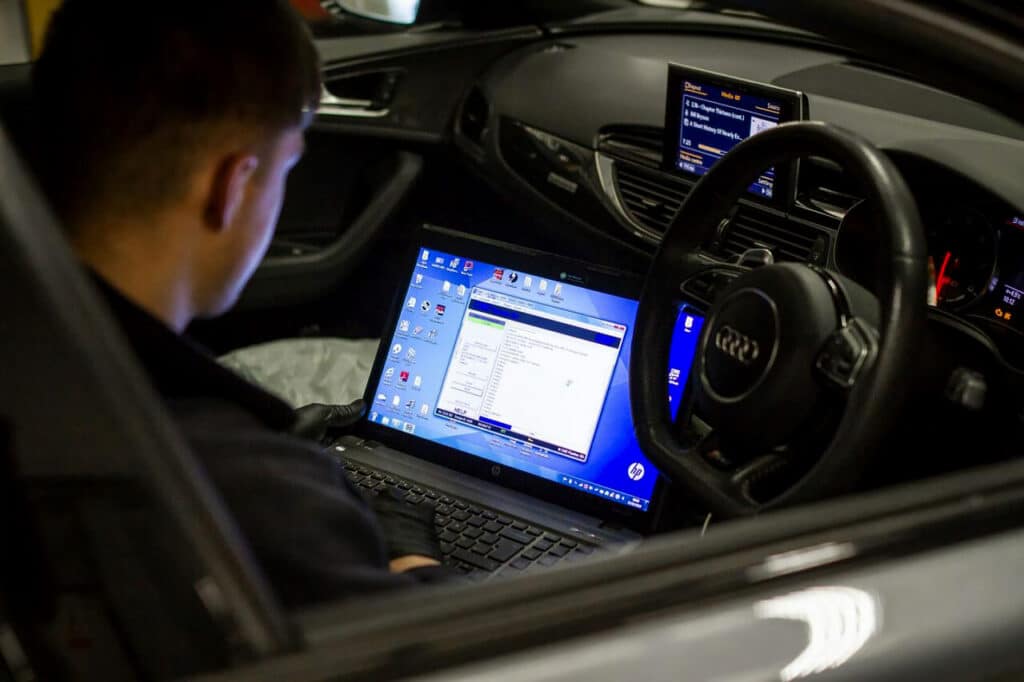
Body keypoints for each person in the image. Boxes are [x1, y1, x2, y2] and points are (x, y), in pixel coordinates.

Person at [31, 0, 450, 608]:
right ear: (228, 185)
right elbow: (427, 649)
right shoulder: (254, 491)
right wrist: (415, 556)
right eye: (284, 171)